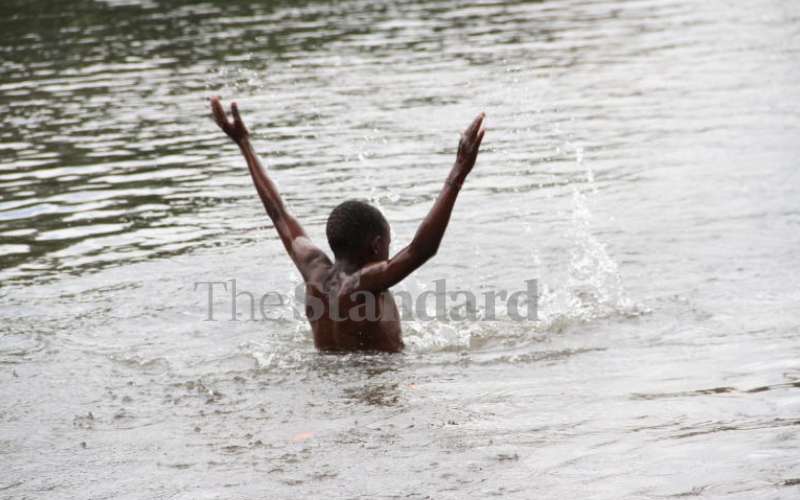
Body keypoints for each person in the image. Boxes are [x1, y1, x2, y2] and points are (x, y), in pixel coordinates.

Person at [211, 97, 485, 352]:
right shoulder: (364, 283)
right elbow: (421, 249)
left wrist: (244, 144)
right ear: (377, 245)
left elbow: (278, 213)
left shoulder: (314, 274)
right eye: (388, 244)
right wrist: (457, 172)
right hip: (374, 394)